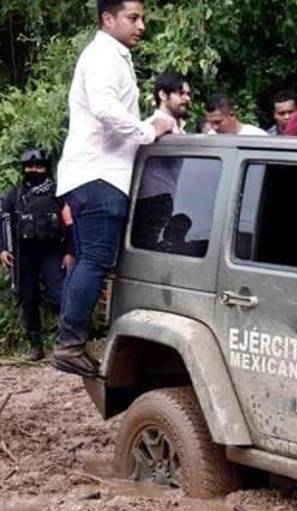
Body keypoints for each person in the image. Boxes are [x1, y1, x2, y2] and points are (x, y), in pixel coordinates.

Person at [53, 0, 175, 376]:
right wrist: (148, 130)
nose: (141, 26)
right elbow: (106, 109)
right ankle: (69, 343)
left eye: (142, 19)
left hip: (95, 174)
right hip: (100, 175)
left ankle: (69, 339)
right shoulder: (104, 55)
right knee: (96, 258)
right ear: (109, 18)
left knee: (90, 257)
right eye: (132, 18)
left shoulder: (111, 55)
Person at [0, 150, 73, 361]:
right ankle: (35, 346)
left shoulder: (57, 193)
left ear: (46, 168)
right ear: (23, 169)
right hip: (23, 255)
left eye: (39, 167)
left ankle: (67, 344)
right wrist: (3, 249)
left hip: (51, 250)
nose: (34, 170)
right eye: (30, 167)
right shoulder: (15, 194)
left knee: (60, 296)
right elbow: (4, 221)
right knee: (28, 299)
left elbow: (69, 225)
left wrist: (70, 252)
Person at [136, 71, 192, 248]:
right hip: (151, 201)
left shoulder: (177, 127)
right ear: (162, 94)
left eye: (188, 94)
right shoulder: (152, 126)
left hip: (166, 199)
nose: (186, 98)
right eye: (180, 93)